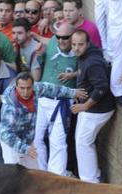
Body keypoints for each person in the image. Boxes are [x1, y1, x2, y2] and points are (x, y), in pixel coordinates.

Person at [0, 71, 84, 168]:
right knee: (13, 173)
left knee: (33, 173)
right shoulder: (11, 106)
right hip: (11, 143)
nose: (25, 92)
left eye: (28, 88)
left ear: (33, 85)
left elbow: (52, 89)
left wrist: (73, 92)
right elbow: (4, 133)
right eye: (22, 88)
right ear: (16, 87)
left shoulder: (36, 88)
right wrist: (24, 148)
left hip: (28, 140)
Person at [31, 20, 76, 176]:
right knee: (36, 139)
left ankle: (56, 176)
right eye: (58, 37)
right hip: (42, 98)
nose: (61, 40)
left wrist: (74, 74)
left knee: (58, 142)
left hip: (62, 102)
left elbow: (90, 69)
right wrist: (39, 56)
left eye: (65, 37)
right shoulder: (51, 44)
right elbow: (37, 71)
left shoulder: (79, 52)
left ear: (73, 37)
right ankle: (42, 174)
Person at [71, 29, 113, 184]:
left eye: (80, 45)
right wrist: (73, 75)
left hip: (97, 109)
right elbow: (85, 73)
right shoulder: (86, 56)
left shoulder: (92, 62)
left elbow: (101, 88)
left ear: (88, 44)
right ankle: (91, 177)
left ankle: (90, 181)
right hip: (91, 108)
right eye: (74, 44)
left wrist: (84, 106)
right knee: (82, 141)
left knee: (83, 142)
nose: (76, 48)